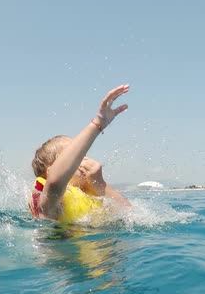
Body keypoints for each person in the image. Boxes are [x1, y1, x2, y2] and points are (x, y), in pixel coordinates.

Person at [29, 84, 132, 223]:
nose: (82, 159)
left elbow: (130, 214)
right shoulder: (49, 204)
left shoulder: (90, 195)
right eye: (75, 157)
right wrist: (98, 124)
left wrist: (100, 184)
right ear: (51, 170)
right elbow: (55, 182)